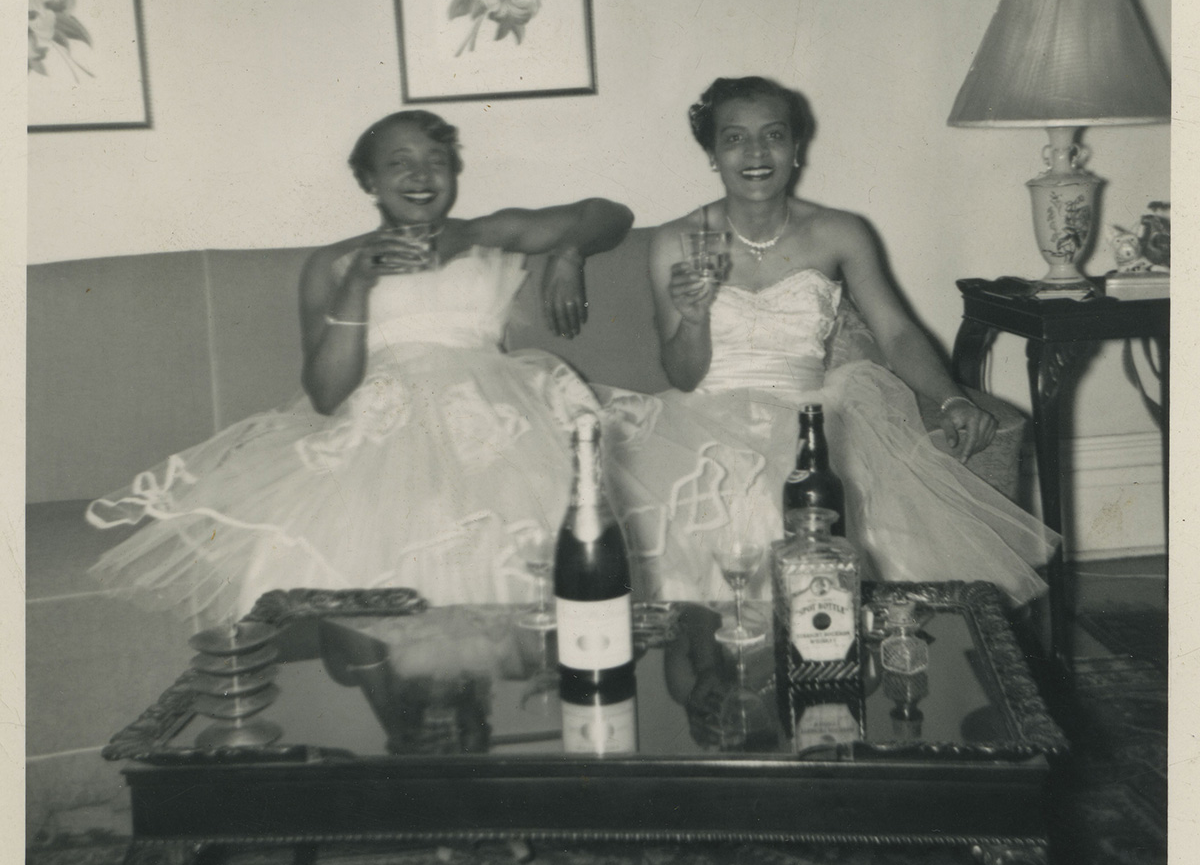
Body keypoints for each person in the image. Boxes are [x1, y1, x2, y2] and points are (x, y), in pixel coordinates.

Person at [86, 109, 633, 624]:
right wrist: (359, 282)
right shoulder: (333, 263)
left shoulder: (486, 232)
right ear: (369, 181)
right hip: (385, 431)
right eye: (399, 163)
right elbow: (327, 395)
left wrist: (568, 252)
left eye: (436, 162)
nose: (421, 175)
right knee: (373, 548)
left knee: (547, 531)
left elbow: (610, 215)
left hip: (499, 421)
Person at [596, 76, 1057, 606]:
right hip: (703, 423)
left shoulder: (840, 232)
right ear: (712, 154)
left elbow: (897, 331)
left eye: (773, 135)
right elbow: (681, 375)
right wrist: (695, 316)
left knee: (815, 507)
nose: (756, 153)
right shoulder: (675, 241)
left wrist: (951, 397)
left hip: (813, 421)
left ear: (796, 147)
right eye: (734, 138)